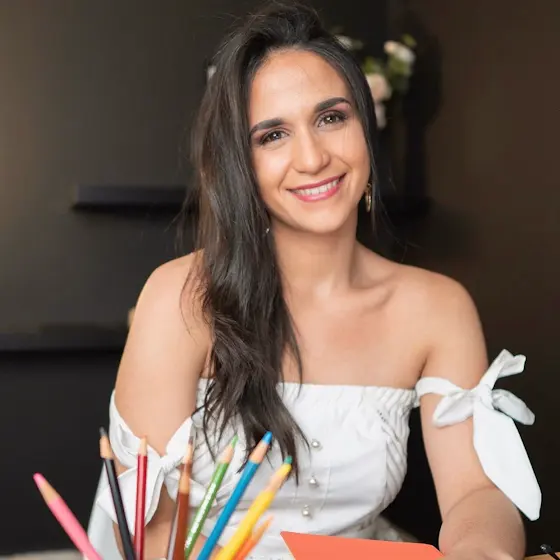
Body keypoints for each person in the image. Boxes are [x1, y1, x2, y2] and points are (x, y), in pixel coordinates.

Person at [87, 3, 541, 559]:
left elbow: (476, 492)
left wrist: (481, 552)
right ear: (239, 165)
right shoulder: (180, 298)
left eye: (331, 118)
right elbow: (152, 530)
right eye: (272, 135)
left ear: (365, 127)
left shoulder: (438, 307)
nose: (312, 157)